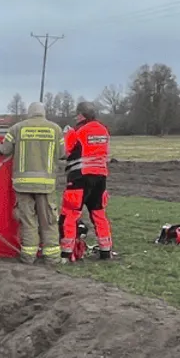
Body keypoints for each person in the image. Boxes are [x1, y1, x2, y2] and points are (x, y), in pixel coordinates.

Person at [0, 101, 62, 263]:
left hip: (22, 185)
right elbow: (63, 153)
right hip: (46, 185)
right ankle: (52, 257)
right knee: (49, 220)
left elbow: (1, 150)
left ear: (29, 113)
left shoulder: (17, 128)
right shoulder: (55, 129)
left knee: (28, 221)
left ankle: (28, 256)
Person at [61, 101, 115, 260]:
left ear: (81, 115)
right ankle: (105, 250)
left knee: (70, 214)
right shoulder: (103, 130)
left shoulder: (77, 130)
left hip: (80, 177)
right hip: (100, 177)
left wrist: (65, 135)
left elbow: (64, 152)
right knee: (98, 213)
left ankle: (66, 252)